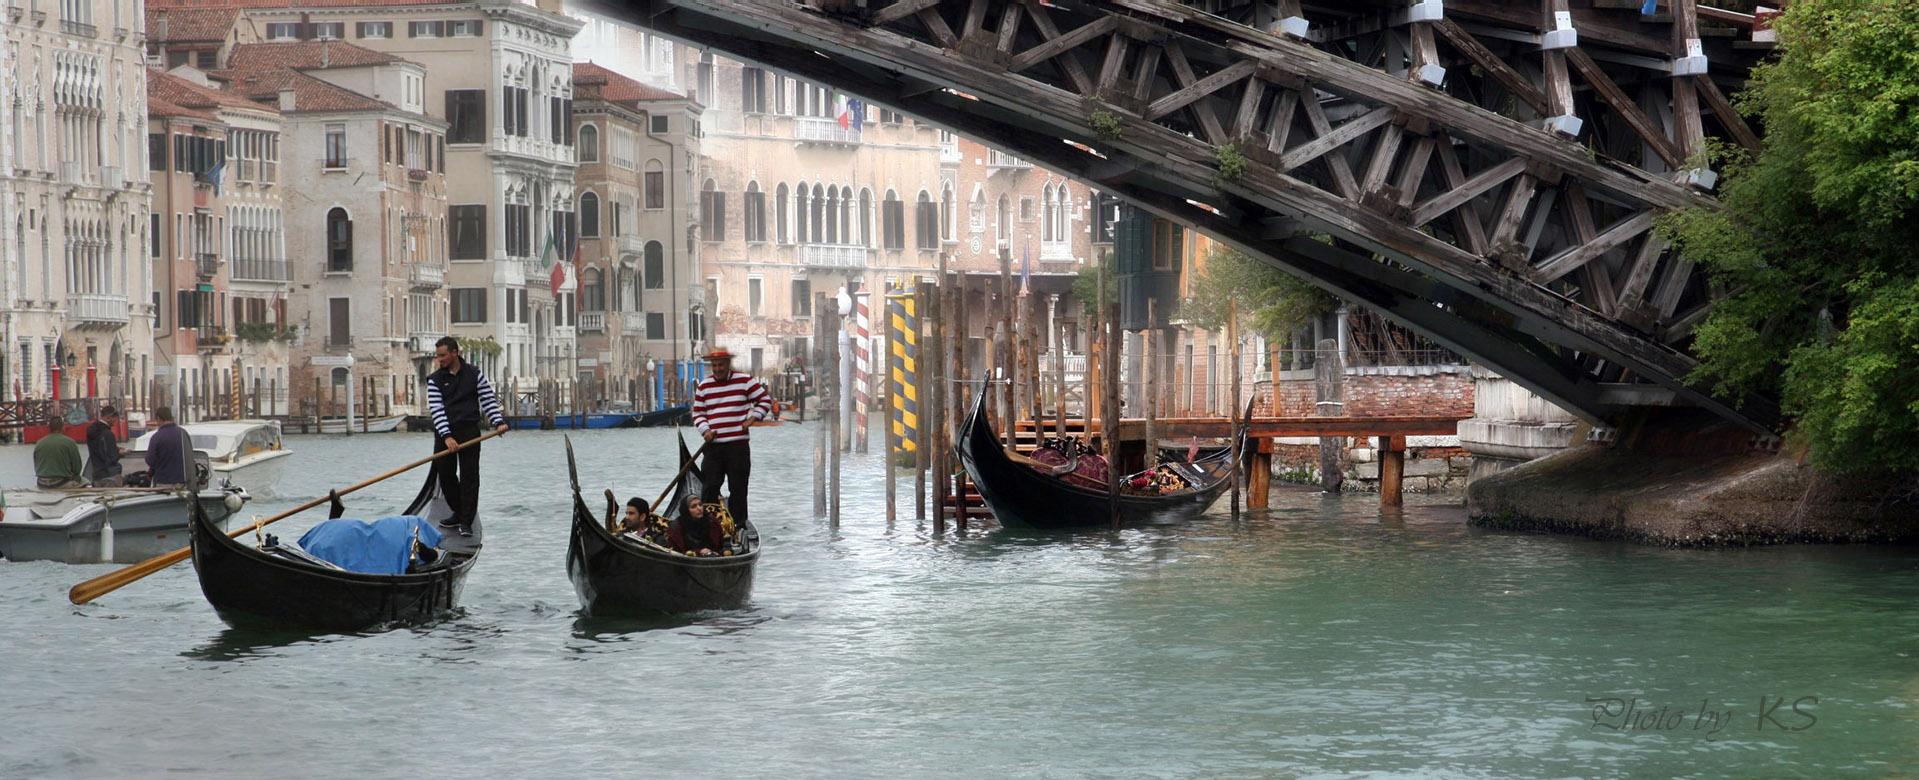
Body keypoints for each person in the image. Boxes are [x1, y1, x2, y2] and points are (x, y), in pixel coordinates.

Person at [425, 335, 508, 536]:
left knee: (470, 476)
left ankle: (466, 521)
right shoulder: (435, 380)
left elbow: (487, 399)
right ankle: (460, 512)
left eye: (443, 355)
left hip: (469, 431)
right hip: (445, 433)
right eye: (438, 356)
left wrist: (498, 422)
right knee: (445, 475)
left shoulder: (474, 374)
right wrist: (447, 437)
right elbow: (437, 410)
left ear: (455, 353)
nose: (440, 360)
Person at [690, 348, 772, 525]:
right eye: (714, 365)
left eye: (721, 365)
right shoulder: (704, 386)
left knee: (738, 489)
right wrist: (705, 431)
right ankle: (709, 525)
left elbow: (765, 400)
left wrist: (752, 419)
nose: (718, 369)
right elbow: (698, 413)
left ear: (728, 364)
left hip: (738, 447)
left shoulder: (745, 381)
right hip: (713, 447)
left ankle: (738, 526)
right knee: (709, 488)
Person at [33, 407, 86, 488]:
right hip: (61, 483)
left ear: (49, 428)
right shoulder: (69, 442)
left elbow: (36, 464)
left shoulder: (39, 443)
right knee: (86, 481)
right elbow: (77, 468)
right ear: (62, 427)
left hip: (41, 482)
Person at [143, 406, 191, 488]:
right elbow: (189, 455)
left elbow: (150, 460)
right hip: (183, 482)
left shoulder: (157, 437)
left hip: (163, 482)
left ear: (158, 418)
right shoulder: (183, 433)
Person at [85, 406, 127, 487]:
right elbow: (112, 458)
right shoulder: (108, 434)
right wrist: (120, 453)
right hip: (108, 476)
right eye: (114, 419)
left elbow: (98, 449)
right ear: (109, 417)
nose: (115, 422)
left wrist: (114, 447)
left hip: (96, 474)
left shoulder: (91, 431)